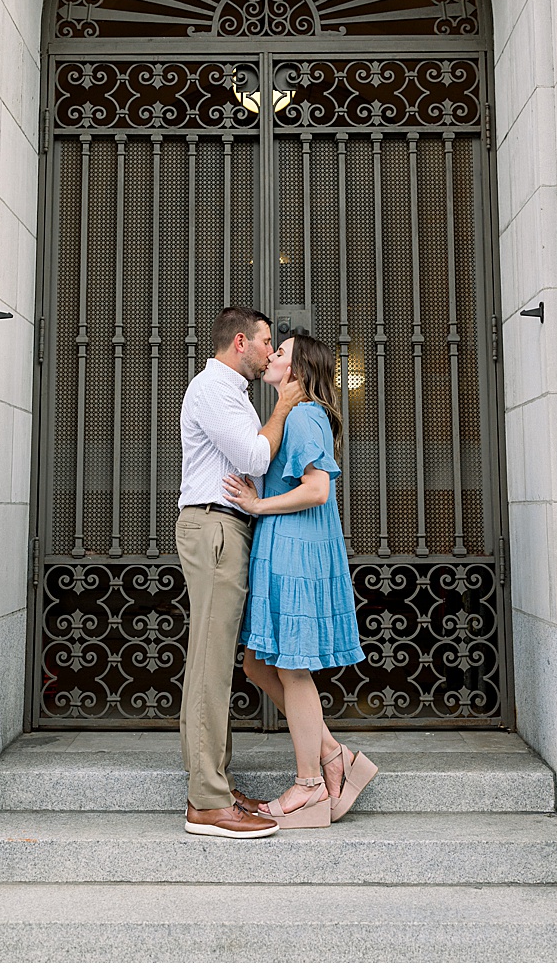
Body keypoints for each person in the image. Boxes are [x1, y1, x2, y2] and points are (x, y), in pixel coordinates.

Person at [224, 331, 378, 827]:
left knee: (291, 670)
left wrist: (257, 504)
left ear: (298, 369)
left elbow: (317, 490)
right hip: (283, 548)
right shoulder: (290, 417)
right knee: (255, 665)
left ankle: (309, 785)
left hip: (298, 551)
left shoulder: (307, 414)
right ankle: (334, 754)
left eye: (281, 351)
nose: (271, 355)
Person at [177, 307, 304, 839]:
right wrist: (283, 407)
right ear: (239, 342)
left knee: (218, 659)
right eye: (265, 341)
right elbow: (254, 456)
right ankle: (206, 802)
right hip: (215, 529)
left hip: (227, 529)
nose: (270, 351)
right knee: (210, 662)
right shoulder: (214, 389)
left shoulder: (230, 393)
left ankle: (217, 788)